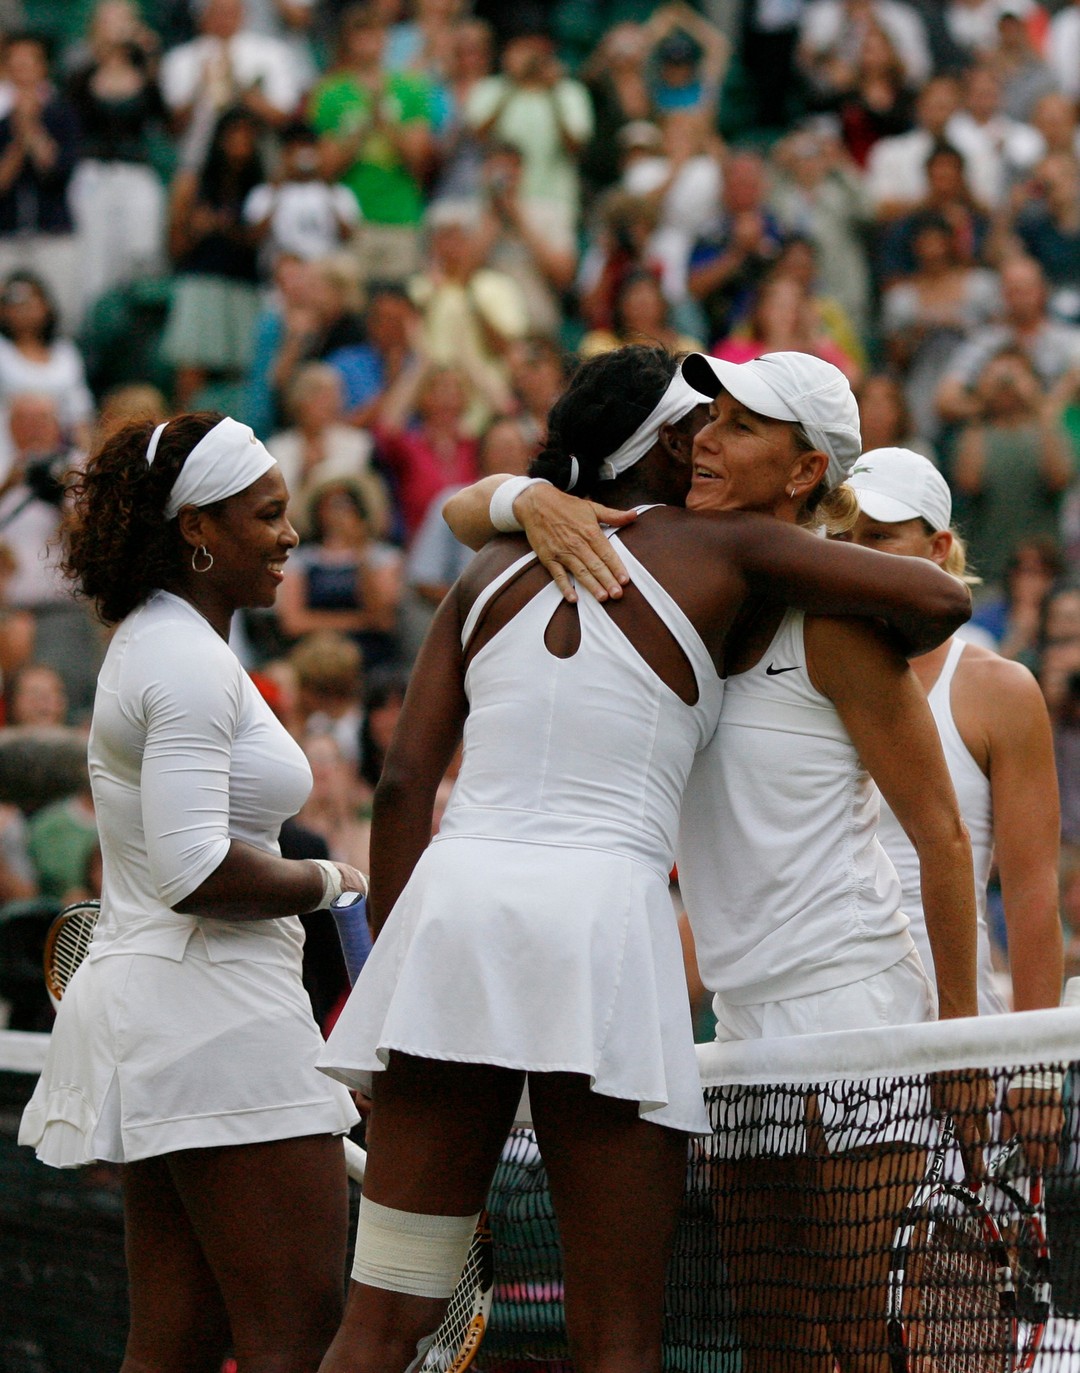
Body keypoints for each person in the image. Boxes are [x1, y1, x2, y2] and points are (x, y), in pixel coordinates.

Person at [324, 345, 978, 1373]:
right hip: (605, 939)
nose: (711, 442)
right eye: (700, 427)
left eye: (738, 426)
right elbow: (939, 600)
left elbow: (404, 787)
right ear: (665, 446)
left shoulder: (485, 568)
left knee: (376, 1324)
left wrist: (516, 496)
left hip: (452, 933)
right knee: (621, 1337)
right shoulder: (729, 555)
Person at [18, 412, 365, 1373]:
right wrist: (331, 878)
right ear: (199, 531)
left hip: (176, 1024)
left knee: (174, 1347)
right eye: (268, 514)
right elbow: (194, 870)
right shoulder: (182, 658)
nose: (289, 534)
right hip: (219, 1028)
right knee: (296, 1344)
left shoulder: (161, 643)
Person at [841, 449, 1065, 1173]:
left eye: (880, 537)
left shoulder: (999, 688)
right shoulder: (794, 673)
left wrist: (1034, 1067)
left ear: (938, 547)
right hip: (820, 1033)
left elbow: (1032, 893)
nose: (856, 557)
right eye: (843, 538)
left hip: (955, 1038)